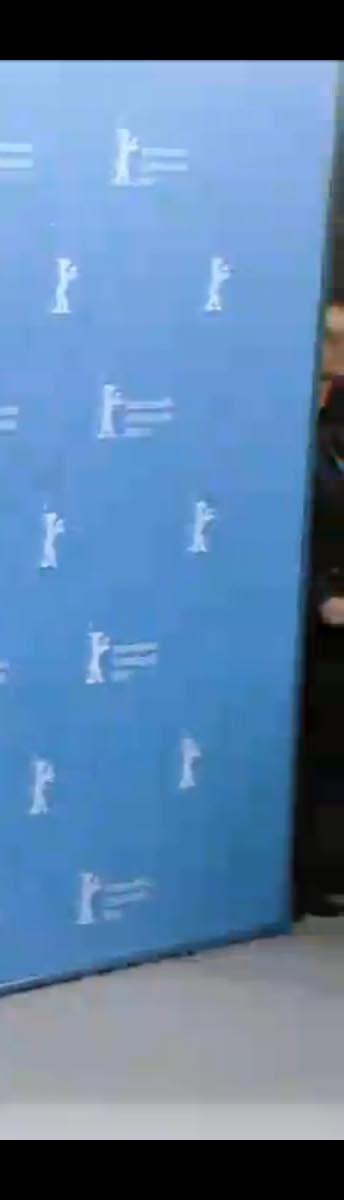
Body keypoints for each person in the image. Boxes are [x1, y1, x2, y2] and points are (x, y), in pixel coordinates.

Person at [296, 293, 344, 918]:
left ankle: (325, 865)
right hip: (308, 616)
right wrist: (323, 596)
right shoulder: (290, 435)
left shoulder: (333, 432)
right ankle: (302, 872)